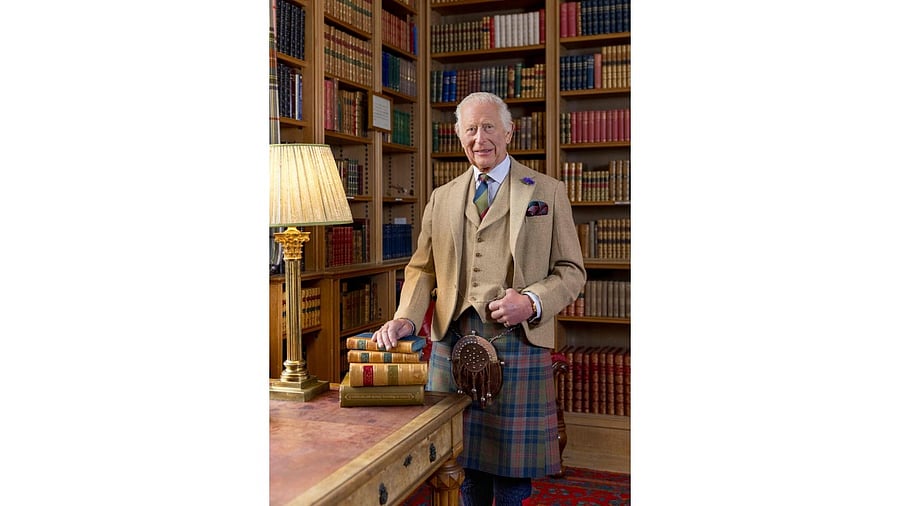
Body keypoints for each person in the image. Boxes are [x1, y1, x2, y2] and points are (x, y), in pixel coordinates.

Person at [372, 92, 586, 506]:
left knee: (511, 478)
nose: (480, 137)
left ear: (509, 131)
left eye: (489, 126)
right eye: (470, 129)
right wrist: (406, 319)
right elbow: (423, 268)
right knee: (457, 465)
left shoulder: (548, 190)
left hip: (517, 342)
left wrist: (533, 301)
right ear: (458, 135)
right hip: (451, 342)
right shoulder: (443, 196)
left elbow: (571, 271)